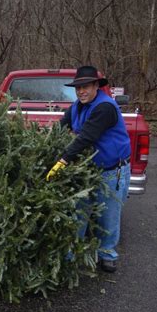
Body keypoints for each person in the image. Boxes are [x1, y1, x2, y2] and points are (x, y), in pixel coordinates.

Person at [46, 65, 131, 273]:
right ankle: (71, 252)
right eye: (78, 88)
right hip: (86, 169)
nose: (81, 91)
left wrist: (63, 160)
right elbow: (62, 125)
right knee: (78, 211)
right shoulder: (77, 105)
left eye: (85, 87)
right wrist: (45, 141)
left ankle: (107, 254)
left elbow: (86, 136)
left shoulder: (105, 107)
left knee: (108, 214)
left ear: (96, 86)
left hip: (111, 170)